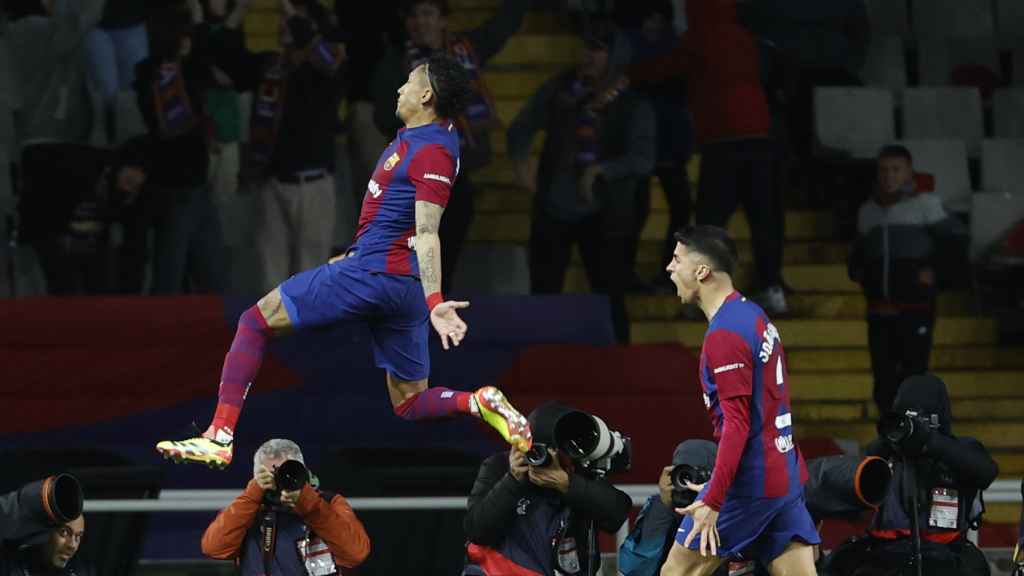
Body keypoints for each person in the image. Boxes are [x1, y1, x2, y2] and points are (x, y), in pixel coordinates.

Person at [156, 52, 533, 469]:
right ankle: (475, 403)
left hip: (376, 275)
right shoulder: (435, 138)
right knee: (409, 402)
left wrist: (435, 301)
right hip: (395, 284)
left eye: (409, 82)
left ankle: (220, 435)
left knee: (254, 321)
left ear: (426, 94)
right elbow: (401, 216)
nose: (399, 88)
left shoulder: (432, 153)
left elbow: (427, 233)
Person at [661, 225, 819, 575]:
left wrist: (715, 498)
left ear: (701, 272)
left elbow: (738, 424)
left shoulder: (725, 335)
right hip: (783, 472)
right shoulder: (753, 314)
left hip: (753, 482)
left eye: (677, 259)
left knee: (676, 572)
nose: (670, 268)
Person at [630, 0, 787, 315]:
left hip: (722, 144)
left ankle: (701, 295)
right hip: (759, 140)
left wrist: (626, 74)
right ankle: (771, 287)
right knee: (764, 221)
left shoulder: (700, 37)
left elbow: (665, 68)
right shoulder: (745, 37)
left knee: (710, 227)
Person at [507, 19, 656, 344]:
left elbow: (643, 159)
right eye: (586, 48)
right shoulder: (560, 89)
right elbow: (520, 127)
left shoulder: (633, 104)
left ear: (615, 57)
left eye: (598, 50)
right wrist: (521, 161)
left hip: (605, 213)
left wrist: (601, 170)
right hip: (553, 207)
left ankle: (619, 366)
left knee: (609, 296)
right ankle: (540, 362)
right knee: (544, 295)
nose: (588, 56)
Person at [370, 0, 529, 290]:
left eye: (428, 14)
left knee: (446, 265)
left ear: (443, 20)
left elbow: (501, 28)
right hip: (415, 181)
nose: (421, 22)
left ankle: (434, 326)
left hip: (457, 180)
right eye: (415, 15)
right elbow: (382, 116)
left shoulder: (463, 51)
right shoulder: (396, 62)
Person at [208, 0, 348, 292]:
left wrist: (297, 21)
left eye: (293, 19)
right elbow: (222, 55)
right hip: (272, 184)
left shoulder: (327, 68)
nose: (283, 22)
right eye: (284, 19)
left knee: (310, 282)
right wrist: (240, 11)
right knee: (270, 281)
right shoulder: (270, 66)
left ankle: (307, 339)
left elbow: (326, 55)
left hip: (314, 185)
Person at [821, 373, 998, 576]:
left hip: (946, 551)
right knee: (841, 561)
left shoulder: (959, 451)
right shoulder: (882, 455)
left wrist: (930, 442)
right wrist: (890, 442)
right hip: (884, 554)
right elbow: (847, 498)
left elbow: (986, 472)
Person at [848, 145, 968, 418]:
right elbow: (859, 255)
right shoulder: (867, 211)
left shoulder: (926, 205)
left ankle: (915, 446)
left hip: (916, 308)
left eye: (896, 169)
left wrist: (937, 274)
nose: (889, 175)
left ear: (908, 172)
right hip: (879, 309)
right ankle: (889, 444)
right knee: (883, 381)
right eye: (884, 170)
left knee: (913, 379)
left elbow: (957, 240)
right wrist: (861, 275)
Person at [462, 401, 632, 575]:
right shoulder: (501, 466)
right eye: (538, 451)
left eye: (555, 452)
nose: (546, 460)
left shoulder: (578, 470)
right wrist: (512, 481)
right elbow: (477, 530)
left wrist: (567, 484)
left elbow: (616, 513)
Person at [134, 1, 224, 294]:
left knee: (211, 278)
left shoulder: (163, 71)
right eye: (184, 34)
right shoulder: (162, 74)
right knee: (170, 278)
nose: (188, 41)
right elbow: (203, 61)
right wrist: (199, 21)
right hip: (177, 186)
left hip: (194, 185)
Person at [201, 439, 370, 574]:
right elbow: (214, 548)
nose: (279, 480)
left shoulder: (328, 503)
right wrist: (252, 495)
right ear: (257, 476)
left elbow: (355, 554)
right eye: (270, 474)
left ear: (302, 471)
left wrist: (307, 503)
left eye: (286, 472)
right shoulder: (248, 508)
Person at [16, 137, 150, 294]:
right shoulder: (80, 166)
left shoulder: (129, 195)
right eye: (133, 169)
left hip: (87, 233)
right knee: (66, 285)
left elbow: (133, 246)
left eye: (141, 174)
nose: (136, 178)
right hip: (54, 224)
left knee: (99, 283)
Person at [1, 474, 90, 576]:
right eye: (64, 533)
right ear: (42, 530)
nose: (72, 545)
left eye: (78, 536)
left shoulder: (82, 571)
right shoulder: (9, 566)